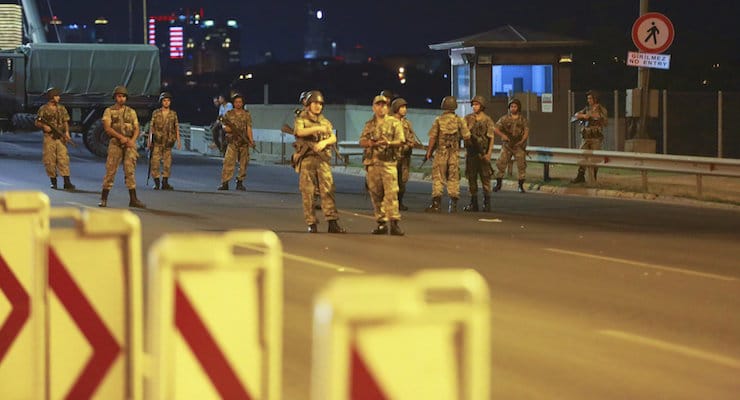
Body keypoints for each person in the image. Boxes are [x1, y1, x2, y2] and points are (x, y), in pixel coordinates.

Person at [293, 91, 346, 233]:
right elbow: (299, 132)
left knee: (328, 190)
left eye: (320, 104)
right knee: (308, 192)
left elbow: (333, 137)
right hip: (307, 159)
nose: (318, 106)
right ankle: (311, 223)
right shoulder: (301, 118)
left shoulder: (325, 121)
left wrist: (324, 142)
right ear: (308, 104)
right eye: (315, 103)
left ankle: (332, 222)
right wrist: (316, 128)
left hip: (322, 160)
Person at [359, 95, 406, 235]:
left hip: (388, 164)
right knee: (376, 194)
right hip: (373, 163)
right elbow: (361, 140)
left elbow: (401, 140)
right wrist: (371, 143)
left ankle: (394, 223)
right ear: (374, 107)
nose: (382, 108)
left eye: (385, 105)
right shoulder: (369, 124)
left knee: (391, 194)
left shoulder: (394, 123)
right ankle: (381, 222)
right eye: (379, 105)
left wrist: (389, 143)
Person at [98, 85, 145, 208]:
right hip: (115, 143)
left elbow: (136, 128)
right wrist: (121, 138)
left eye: (123, 96)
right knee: (110, 170)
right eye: (119, 96)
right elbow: (107, 128)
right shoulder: (109, 111)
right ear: (115, 97)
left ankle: (133, 199)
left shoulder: (131, 112)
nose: (121, 99)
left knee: (130, 171)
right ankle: (104, 198)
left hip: (129, 143)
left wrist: (132, 140)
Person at [424, 95, 471, 213]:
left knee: (438, 177)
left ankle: (436, 204)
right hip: (454, 153)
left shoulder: (438, 120)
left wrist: (429, 152)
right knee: (453, 177)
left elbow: (433, 137)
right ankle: (453, 204)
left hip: (441, 153)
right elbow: (467, 136)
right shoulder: (460, 120)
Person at [35, 87, 75, 190]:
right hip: (49, 137)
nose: (59, 98)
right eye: (57, 96)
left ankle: (67, 182)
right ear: (51, 97)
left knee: (63, 159)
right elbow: (37, 122)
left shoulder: (61, 108)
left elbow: (65, 121)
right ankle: (53, 181)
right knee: (49, 160)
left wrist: (66, 133)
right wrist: (44, 127)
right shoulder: (43, 109)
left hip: (60, 137)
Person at [463, 95, 495, 211]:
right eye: (473, 104)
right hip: (471, 153)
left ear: (482, 106)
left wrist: (489, 153)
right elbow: (463, 133)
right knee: (471, 178)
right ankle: (473, 203)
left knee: (485, 178)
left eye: (477, 104)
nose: (474, 107)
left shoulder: (487, 120)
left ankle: (487, 203)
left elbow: (491, 138)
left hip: (483, 153)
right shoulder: (467, 118)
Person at [217, 94, 253, 191]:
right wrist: (230, 130)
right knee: (228, 162)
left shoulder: (246, 114)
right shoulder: (229, 114)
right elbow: (224, 126)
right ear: (233, 103)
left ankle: (240, 182)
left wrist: (251, 140)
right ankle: (225, 182)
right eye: (236, 102)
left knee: (243, 163)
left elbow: (249, 128)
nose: (238, 104)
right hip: (232, 142)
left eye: (240, 102)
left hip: (243, 142)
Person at [493, 98, 529, 193]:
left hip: (518, 146)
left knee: (521, 166)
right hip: (507, 146)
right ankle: (498, 184)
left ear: (518, 108)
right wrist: (503, 135)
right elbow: (495, 128)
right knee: (501, 164)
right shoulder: (504, 118)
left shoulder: (522, 120)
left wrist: (522, 141)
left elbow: (526, 132)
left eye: (515, 106)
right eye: (511, 106)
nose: (513, 108)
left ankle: (520, 185)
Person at [571, 90, 608, 183]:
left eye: (590, 98)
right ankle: (580, 175)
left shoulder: (601, 109)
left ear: (595, 99)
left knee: (595, 158)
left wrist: (592, 115)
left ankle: (594, 177)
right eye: (588, 98)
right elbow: (575, 115)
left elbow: (603, 118)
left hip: (595, 138)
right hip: (586, 137)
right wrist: (584, 116)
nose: (588, 100)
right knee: (582, 155)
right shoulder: (586, 109)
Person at [148, 92, 180, 190]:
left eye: (168, 101)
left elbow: (176, 127)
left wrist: (178, 140)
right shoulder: (156, 113)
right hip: (157, 141)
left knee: (167, 163)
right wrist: (149, 141)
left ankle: (165, 182)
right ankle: (156, 181)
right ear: (161, 102)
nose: (166, 103)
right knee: (155, 162)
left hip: (168, 142)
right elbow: (151, 127)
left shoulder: (173, 114)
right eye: (164, 101)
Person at [390, 97, 418, 211]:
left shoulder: (407, 123)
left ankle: (400, 202)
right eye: (402, 107)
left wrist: (410, 144)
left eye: (405, 107)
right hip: (392, 156)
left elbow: (411, 138)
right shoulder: (390, 122)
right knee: (391, 181)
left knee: (402, 181)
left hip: (405, 156)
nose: (404, 109)